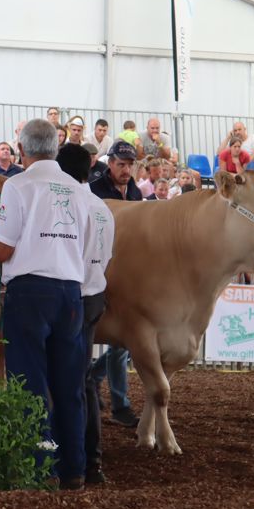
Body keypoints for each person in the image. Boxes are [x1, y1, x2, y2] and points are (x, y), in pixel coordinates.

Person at [0, 118, 92, 490]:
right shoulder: (81, 190)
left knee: (28, 381)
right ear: (55, 147)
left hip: (29, 292)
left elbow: (1, 248)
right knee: (69, 385)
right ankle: (74, 470)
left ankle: (39, 468)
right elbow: (86, 246)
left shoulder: (17, 185)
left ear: (21, 150)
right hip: (70, 292)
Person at [55, 143, 115, 485]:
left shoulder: (67, 204)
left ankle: (67, 459)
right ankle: (91, 462)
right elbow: (107, 255)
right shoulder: (103, 208)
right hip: (95, 294)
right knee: (83, 379)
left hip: (70, 295)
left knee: (64, 379)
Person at [87, 140, 141, 428]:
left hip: (126, 269)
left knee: (123, 341)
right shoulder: (96, 188)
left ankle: (97, 379)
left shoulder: (134, 191)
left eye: (130, 164)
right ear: (110, 163)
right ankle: (120, 405)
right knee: (119, 340)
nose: (126, 169)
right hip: (100, 268)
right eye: (121, 164)